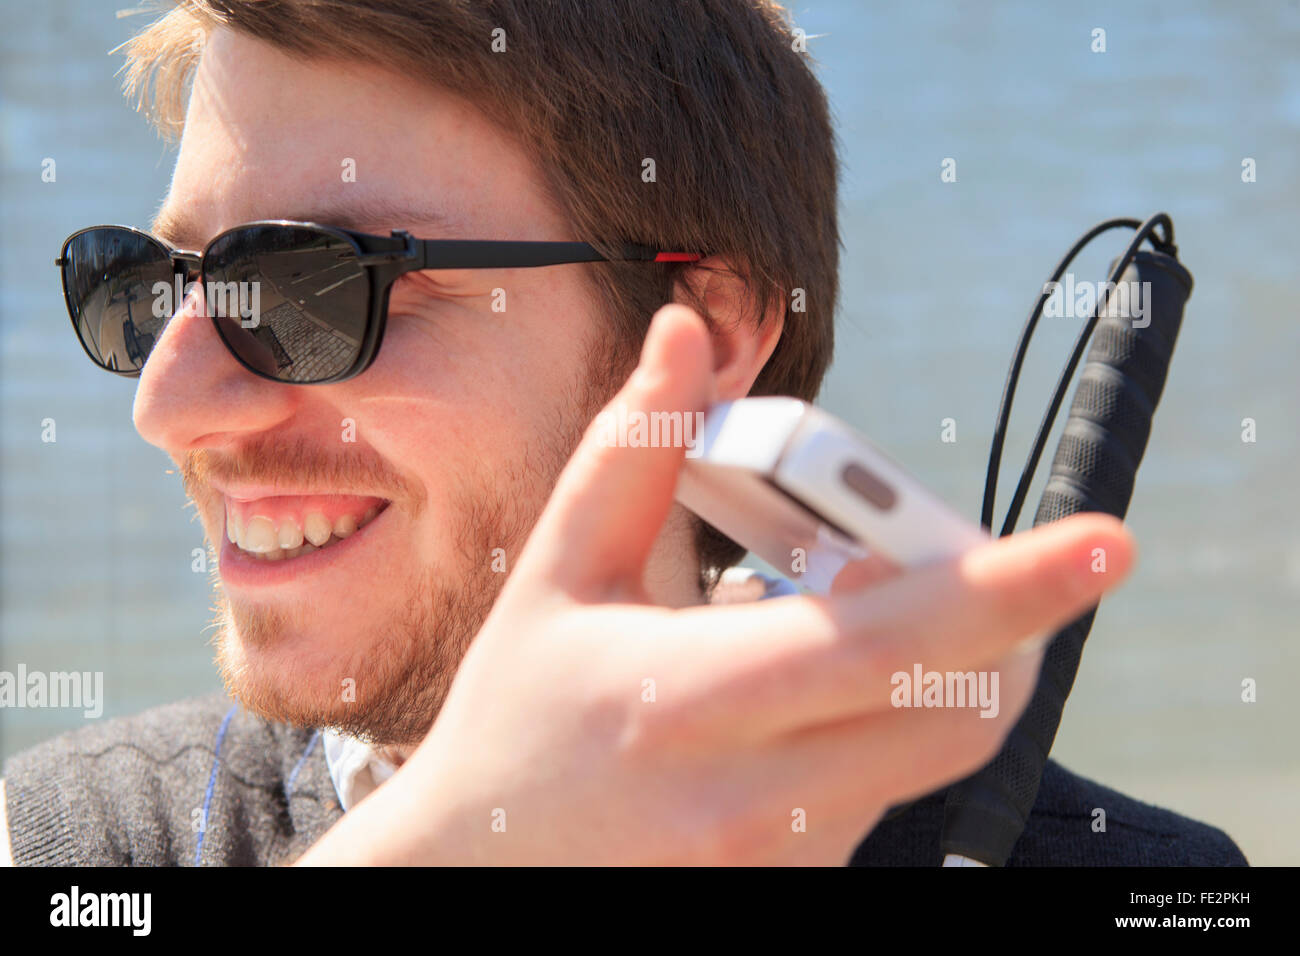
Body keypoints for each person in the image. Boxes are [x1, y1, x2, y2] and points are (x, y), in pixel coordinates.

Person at [1, 0, 1245, 866]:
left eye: (316, 289)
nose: (167, 405)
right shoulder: (73, 835)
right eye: (145, 286)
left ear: (706, 324)